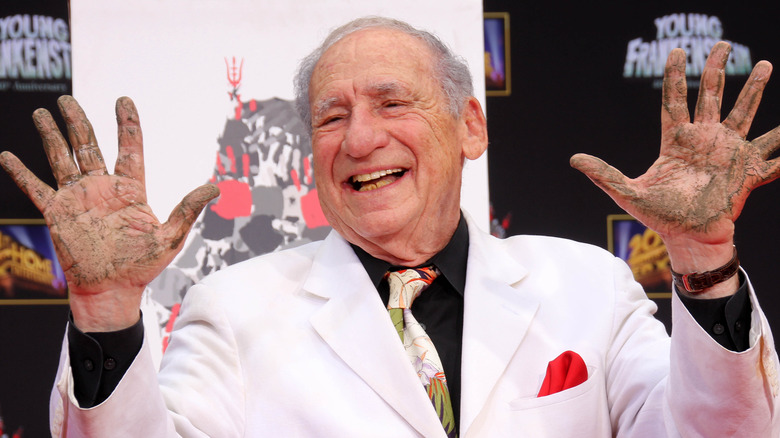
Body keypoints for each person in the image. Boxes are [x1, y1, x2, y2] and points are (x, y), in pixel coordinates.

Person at [1, 16, 779, 437]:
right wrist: (105, 313)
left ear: (472, 126)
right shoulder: (233, 312)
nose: (360, 138)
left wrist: (706, 263)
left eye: (391, 103)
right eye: (331, 117)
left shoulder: (589, 286)